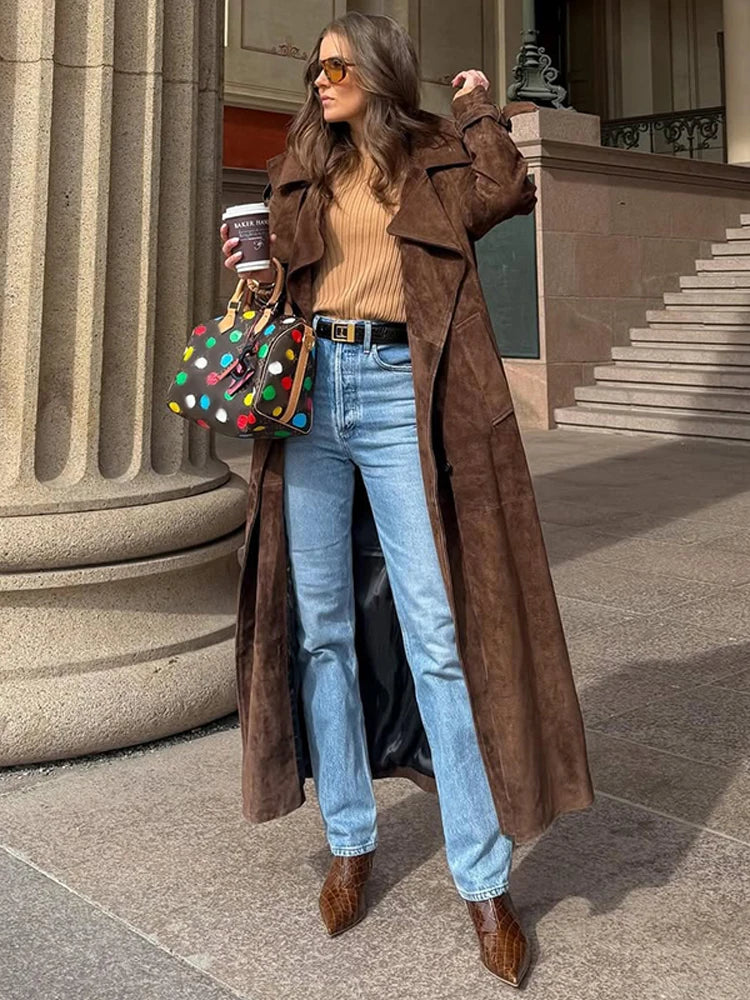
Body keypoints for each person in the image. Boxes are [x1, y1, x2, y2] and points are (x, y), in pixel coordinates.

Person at [222, 11, 593, 990]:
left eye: (338, 64)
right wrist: (254, 276)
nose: (321, 78)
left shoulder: (434, 152)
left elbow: (507, 189)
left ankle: (482, 879)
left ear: (381, 71)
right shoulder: (302, 163)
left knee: (436, 632)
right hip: (311, 398)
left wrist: (477, 109)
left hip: (399, 394)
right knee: (325, 633)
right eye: (314, 66)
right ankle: (352, 840)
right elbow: (282, 284)